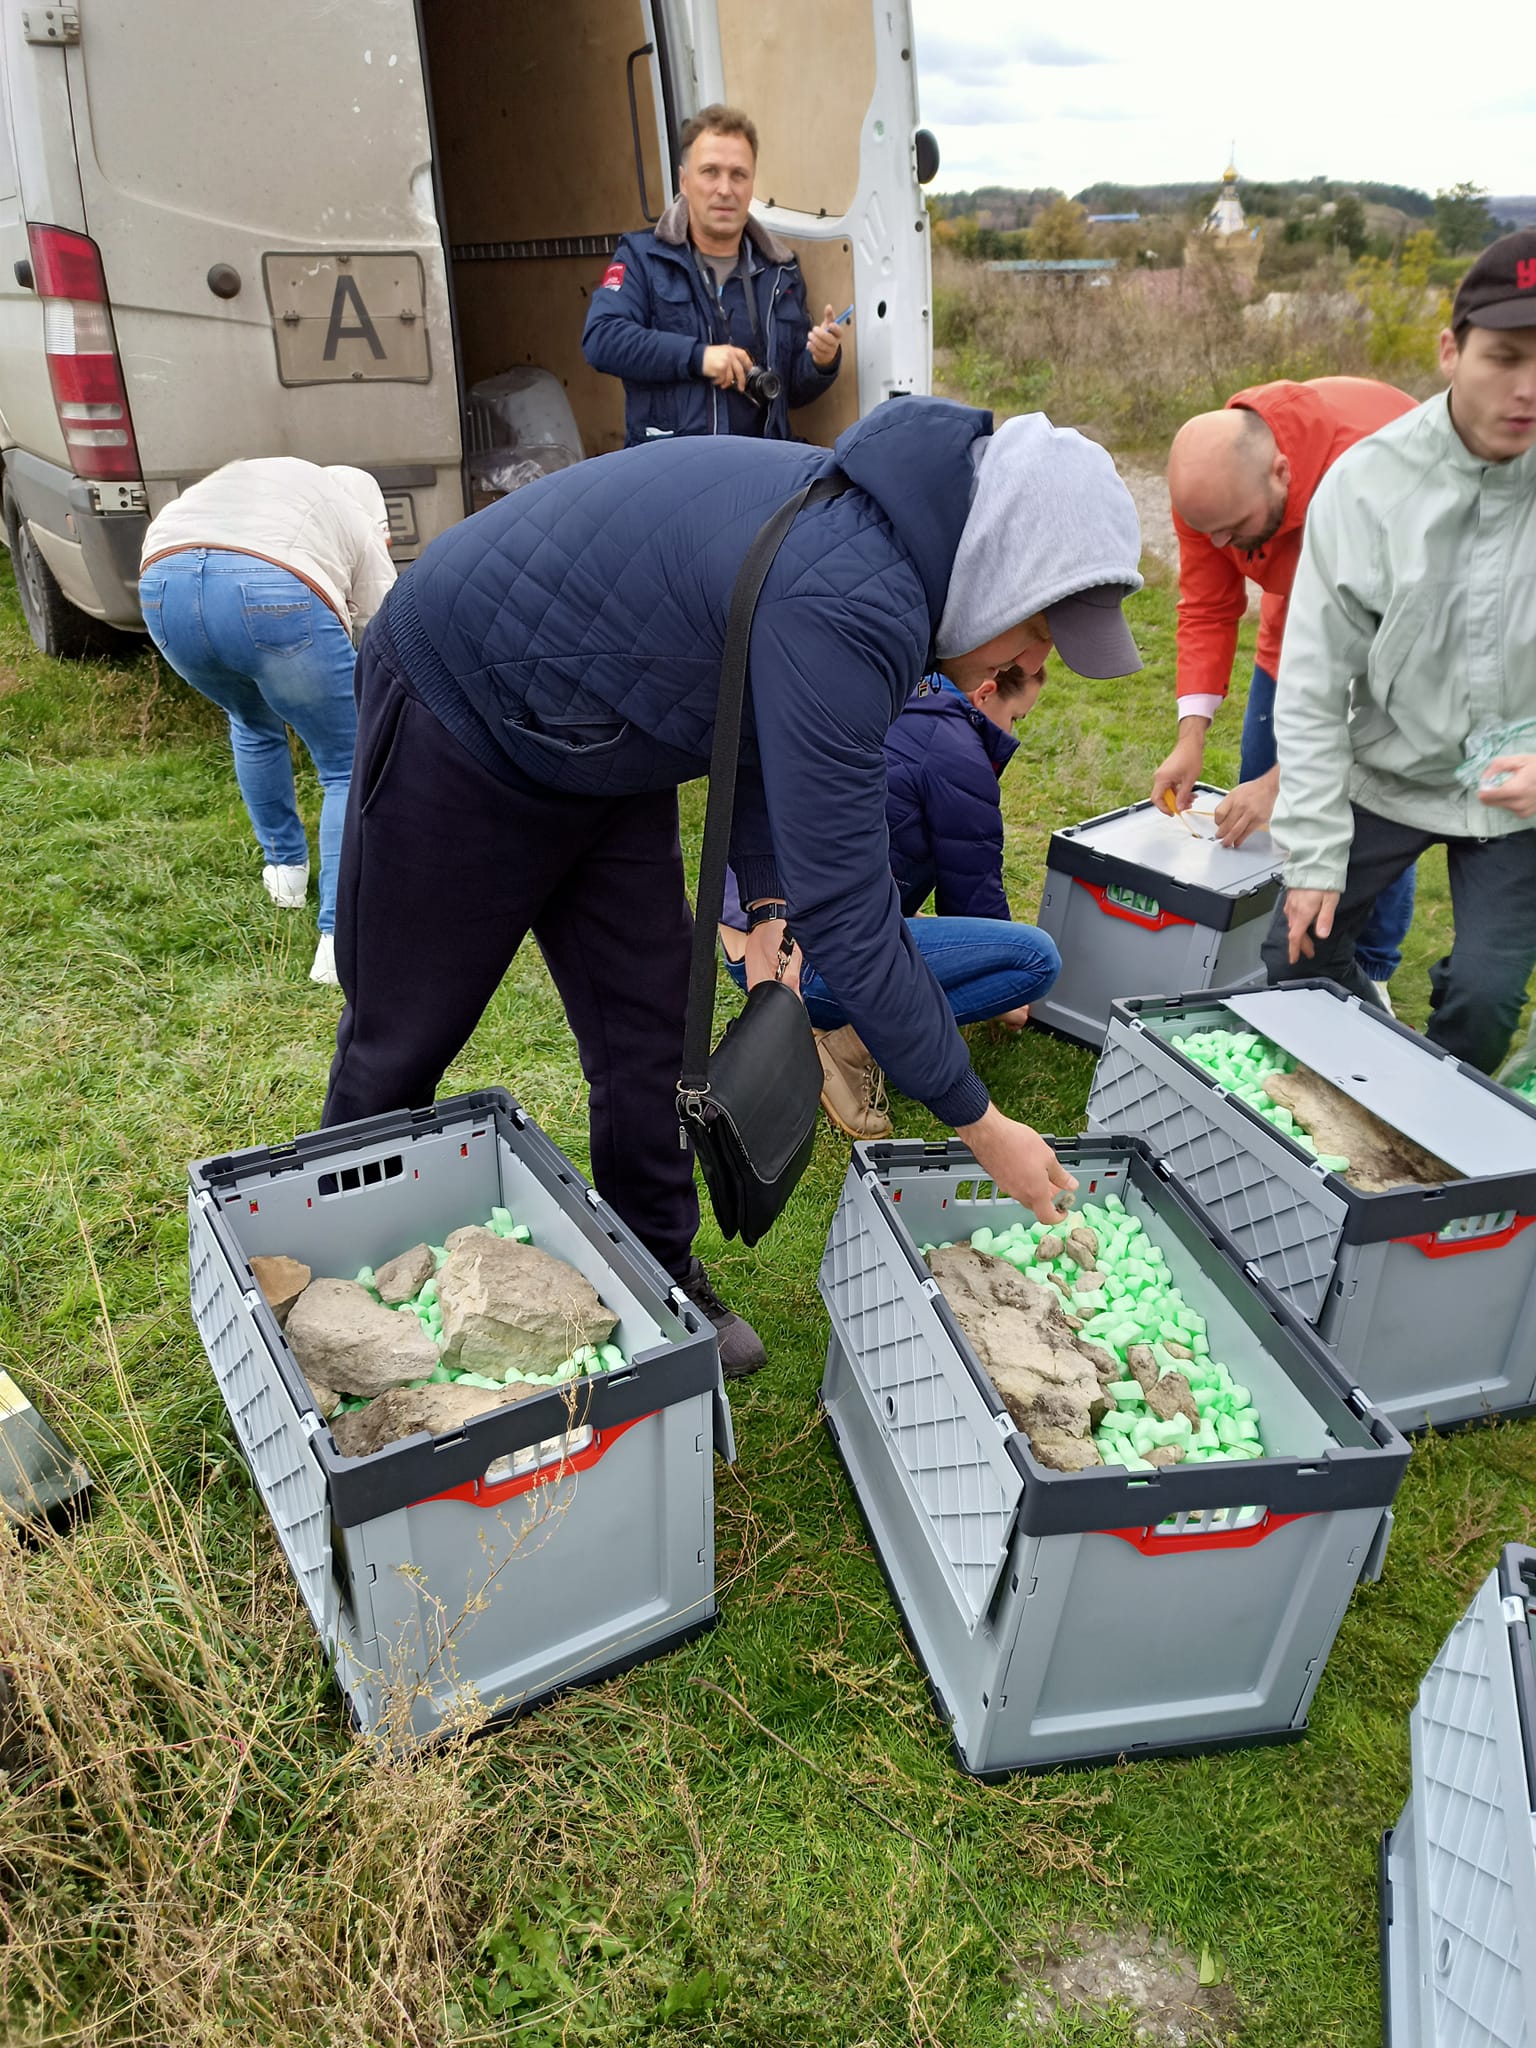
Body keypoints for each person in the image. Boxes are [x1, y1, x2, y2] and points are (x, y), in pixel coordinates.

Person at [321, 400, 1143, 1375]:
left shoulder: (885, 564)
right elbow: (857, 910)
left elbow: (751, 712)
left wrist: (763, 907)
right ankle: (341, 1299)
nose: (1035, 665)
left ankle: (657, 1271)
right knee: (403, 1037)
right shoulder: (855, 593)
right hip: (465, 705)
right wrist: (980, 1120)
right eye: (1041, 630)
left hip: (608, 737)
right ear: (1001, 569)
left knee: (651, 1029)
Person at [1262, 230, 1536, 1075]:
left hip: (1515, 791)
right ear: (1451, 351)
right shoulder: (1369, 484)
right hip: (1391, 768)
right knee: (1296, 954)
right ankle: (1354, 1087)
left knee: (1485, 1000)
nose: (1528, 389)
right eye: (1505, 356)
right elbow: (1309, 686)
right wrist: (1311, 856)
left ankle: (1433, 1138)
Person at [1152, 377, 1418, 1004]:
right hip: (1294, 631)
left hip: (1399, 648)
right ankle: (1284, 957)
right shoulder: (1212, 488)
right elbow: (1208, 607)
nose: (1221, 547)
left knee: (1373, 812)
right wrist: (1192, 737)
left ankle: (1369, 971)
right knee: (1262, 809)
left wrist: (1284, 782)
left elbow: (1390, 676)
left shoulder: (1381, 476)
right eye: (1207, 531)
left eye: (1233, 530)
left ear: (1281, 473)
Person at [719, 661, 1061, 1139]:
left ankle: (832, 1022)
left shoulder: (899, 691)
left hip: (751, 935)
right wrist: (1008, 1004)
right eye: (1015, 718)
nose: (1012, 732)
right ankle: (847, 1043)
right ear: (983, 694)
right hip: (806, 962)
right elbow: (972, 901)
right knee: (1035, 959)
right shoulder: (960, 755)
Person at [139, 458, 394, 984]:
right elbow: (381, 632)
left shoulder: (277, 485)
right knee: (348, 763)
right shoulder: (354, 515)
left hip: (163, 581)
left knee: (252, 722)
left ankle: (285, 877)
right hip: (270, 589)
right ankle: (337, 942)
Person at [581, 103, 843, 447]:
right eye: (710, 172)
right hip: (669, 473)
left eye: (738, 174)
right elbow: (602, 340)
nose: (725, 189)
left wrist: (821, 361)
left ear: (751, 185)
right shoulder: (641, 256)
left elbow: (790, 391)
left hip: (761, 473)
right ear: (684, 181)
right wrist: (699, 357)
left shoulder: (781, 272)